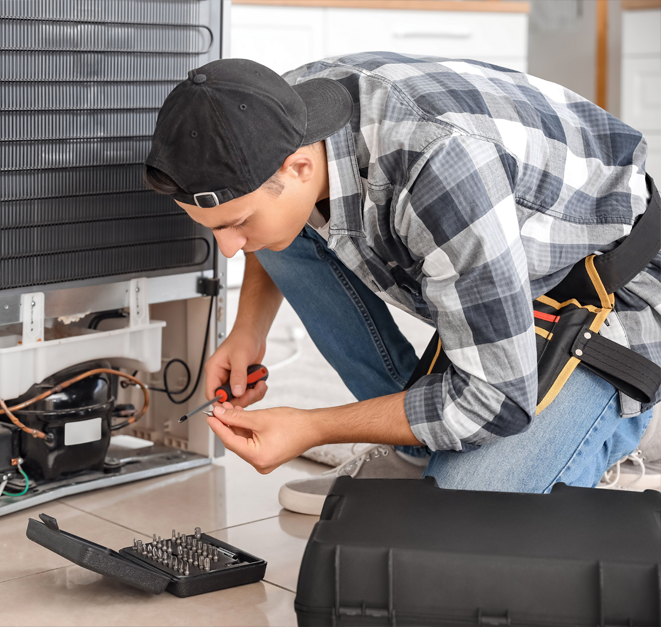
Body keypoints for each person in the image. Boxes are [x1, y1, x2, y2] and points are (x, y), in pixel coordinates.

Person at [143, 54, 660, 514]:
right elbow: (271, 215)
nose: (229, 249)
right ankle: (419, 445)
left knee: (461, 524)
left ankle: (613, 425)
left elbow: (495, 400)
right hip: (497, 258)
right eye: (214, 228)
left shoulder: (442, 167)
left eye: (237, 224)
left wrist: (314, 425)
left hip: (608, 295)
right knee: (281, 229)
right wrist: (247, 330)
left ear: (299, 166)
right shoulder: (276, 110)